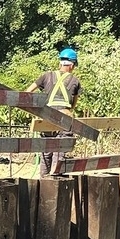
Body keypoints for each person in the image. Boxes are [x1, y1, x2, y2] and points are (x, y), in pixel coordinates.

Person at [30, 43, 80, 175]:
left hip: (46, 116)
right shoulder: (75, 80)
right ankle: (55, 183)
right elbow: (73, 105)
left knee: (46, 153)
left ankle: (43, 184)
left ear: (60, 63)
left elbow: (27, 92)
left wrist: (36, 110)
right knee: (59, 154)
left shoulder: (46, 76)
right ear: (72, 65)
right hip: (65, 118)